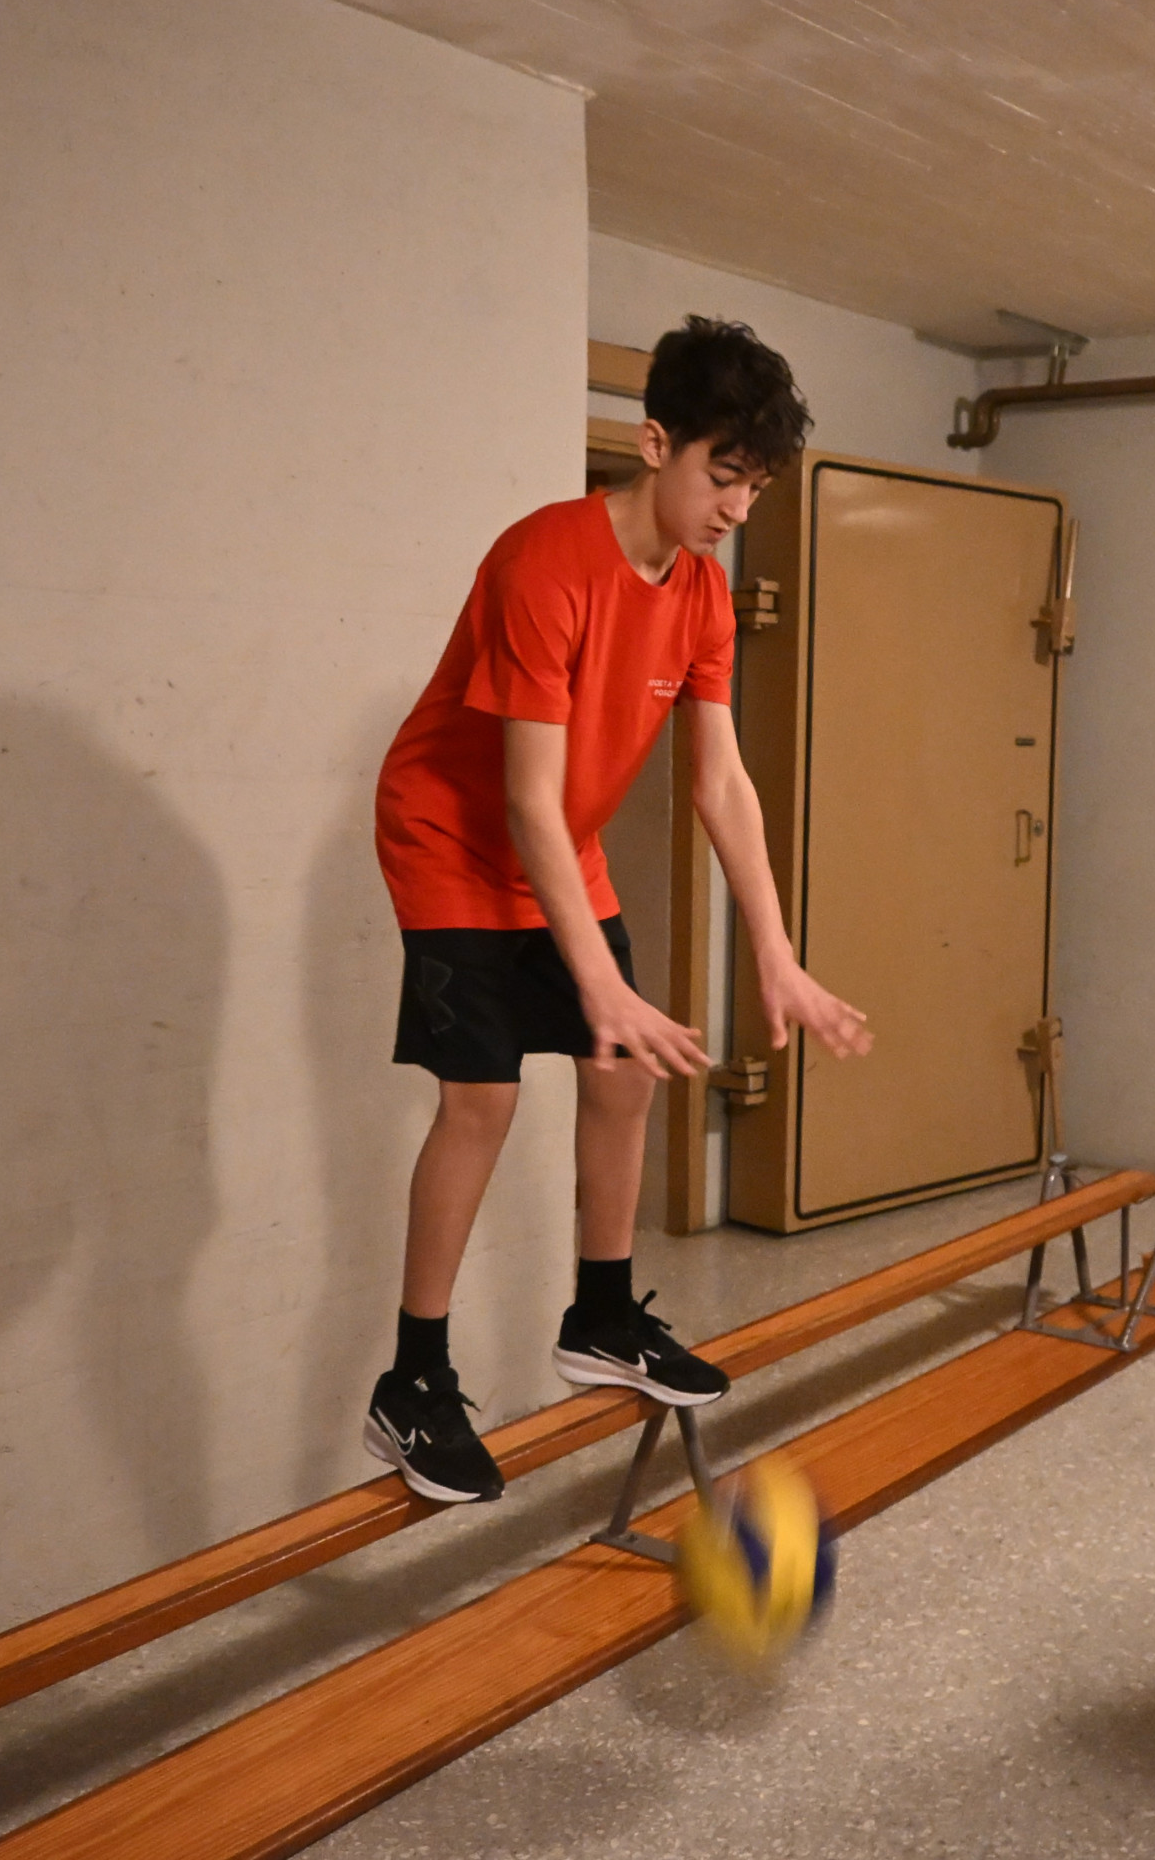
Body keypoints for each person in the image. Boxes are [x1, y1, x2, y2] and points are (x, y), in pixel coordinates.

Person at [365, 316, 871, 1505]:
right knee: (484, 1098)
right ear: (655, 444)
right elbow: (524, 799)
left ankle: (599, 1315)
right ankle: (413, 1379)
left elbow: (721, 782)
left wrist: (777, 952)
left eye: (755, 485)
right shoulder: (544, 562)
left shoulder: (701, 594)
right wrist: (597, 983)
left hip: (560, 840)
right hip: (451, 836)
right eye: (722, 474)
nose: (737, 507)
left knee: (625, 1070)